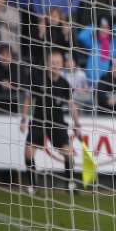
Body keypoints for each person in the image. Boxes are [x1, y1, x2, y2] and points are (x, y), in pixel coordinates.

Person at [20, 50, 83, 195]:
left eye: (57, 63)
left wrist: (77, 125)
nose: (55, 65)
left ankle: (69, 185)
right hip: (39, 121)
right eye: (52, 63)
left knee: (70, 154)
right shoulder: (38, 78)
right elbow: (29, 99)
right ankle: (32, 186)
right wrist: (24, 119)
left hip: (57, 122)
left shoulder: (65, 84)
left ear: (62, 65)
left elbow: (71, 105)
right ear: (47, 64)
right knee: (28, 151)